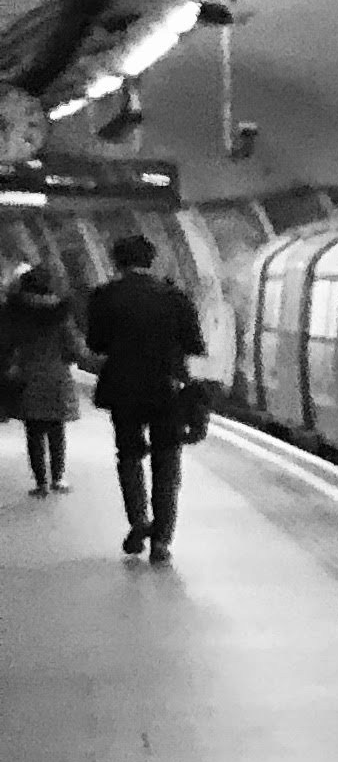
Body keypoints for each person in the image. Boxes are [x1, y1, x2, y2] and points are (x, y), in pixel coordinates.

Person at [80, 234, 204, 563]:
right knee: (167, 461)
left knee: (129, 455)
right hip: (166, 388)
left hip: (122, 389)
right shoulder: (173, 296)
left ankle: (139, 521)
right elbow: (194, 344)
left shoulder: (104, 297)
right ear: (152, 260)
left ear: (117, 261)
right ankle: (162, 540)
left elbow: (96, 345)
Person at [0, 268, 80, 498]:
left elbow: (4, 344)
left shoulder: (14, 314)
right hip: (56, 377)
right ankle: (58, 478)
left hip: (27, 377)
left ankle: (41, 483)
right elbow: (73, 347)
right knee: (57, 430)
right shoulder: (60, 313)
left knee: (33, 432)